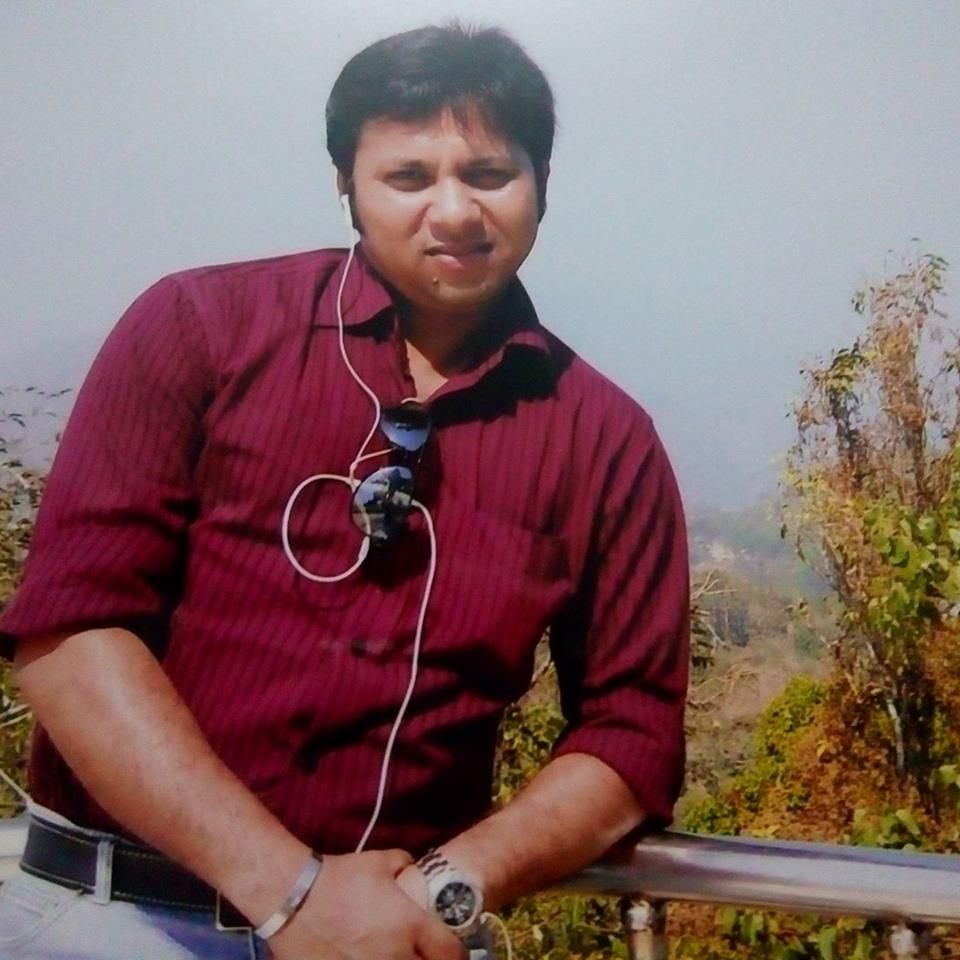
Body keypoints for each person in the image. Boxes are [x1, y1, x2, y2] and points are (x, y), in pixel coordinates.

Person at [0, 22, 689, 960]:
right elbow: (72, 634)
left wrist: (448, 887)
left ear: (543, 182)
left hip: (399, 939)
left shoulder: (603, 439)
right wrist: (288, 893)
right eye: (408, 177)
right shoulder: (202, 330)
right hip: (117, 919)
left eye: (490, 173)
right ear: (346, 185)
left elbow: (632, 731)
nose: (454, 211)